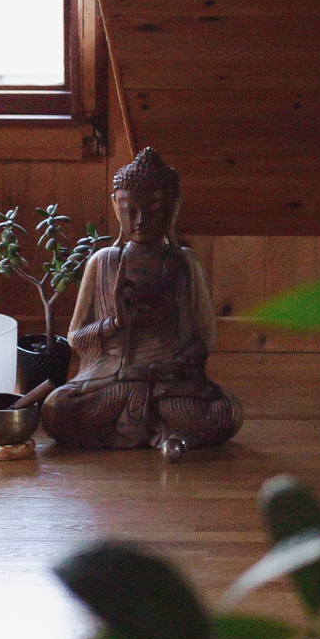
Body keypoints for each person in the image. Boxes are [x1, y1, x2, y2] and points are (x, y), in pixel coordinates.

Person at [41, 146, 242, 458]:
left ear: (173, 209)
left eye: (153, 210)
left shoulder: (185, 262)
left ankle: (139, 429)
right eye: (129, 209)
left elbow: (207, 335)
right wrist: (113, 325)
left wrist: (178, 362)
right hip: (113, 380)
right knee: (57, 408)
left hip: (168, 384)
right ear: (115, 206)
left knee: (224, 412)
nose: (140, 220)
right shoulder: (103, 261)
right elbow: (74, 337)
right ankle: (163, 433)